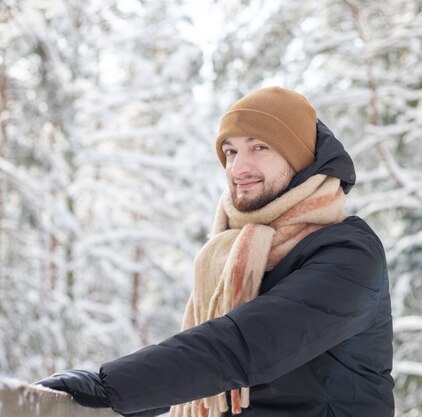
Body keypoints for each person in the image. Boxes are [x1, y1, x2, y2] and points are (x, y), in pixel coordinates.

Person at [35, 87, 395, 417]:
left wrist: (109, 386)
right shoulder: (234, 249)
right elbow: (201, 379)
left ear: (299, 157)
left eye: (259, 147)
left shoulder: (350, 253)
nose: (238, 168)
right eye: (230, 151)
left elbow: (244, 344)